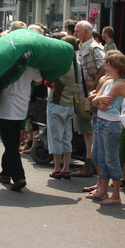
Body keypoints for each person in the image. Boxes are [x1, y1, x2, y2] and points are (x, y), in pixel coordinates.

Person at [87, 51, 125, 205]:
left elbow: (101, 104)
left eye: (109, 65)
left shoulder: (119, 84)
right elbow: (96, 100)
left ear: (117, 67)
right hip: (103, 121)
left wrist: (96, 99)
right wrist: (98, 99)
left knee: (111, 160)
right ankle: (103, 190)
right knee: (101, 157)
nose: (106, 67)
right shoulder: (111, 81)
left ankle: (116, 195)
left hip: (111, 123)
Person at [0, 63, 43, 191]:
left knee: (10, 142)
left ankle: (18, 176)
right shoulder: (32, 64)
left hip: (5, 107)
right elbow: (38, 82)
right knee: (13, 140)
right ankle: (5, 173)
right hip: (22, 106)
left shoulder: (4, 62)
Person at [71, 20, 106, 177]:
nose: (74, 34)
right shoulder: (83, 46)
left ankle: (90, 163)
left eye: (77, 31)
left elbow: (106, 66)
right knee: (85, 129)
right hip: (83, 94)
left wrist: (95, 82)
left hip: (91, 96)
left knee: (89, 129)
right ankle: (89, 162)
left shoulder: (94, 47)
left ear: (87, 32)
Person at [47, 35, 80, 180]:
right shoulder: (76, 63)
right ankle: (66, 167)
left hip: (57, 102)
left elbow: (49, 80)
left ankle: (57, 168)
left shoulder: (62, 63)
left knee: (56, 136)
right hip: (70, 103)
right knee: (67, 137)